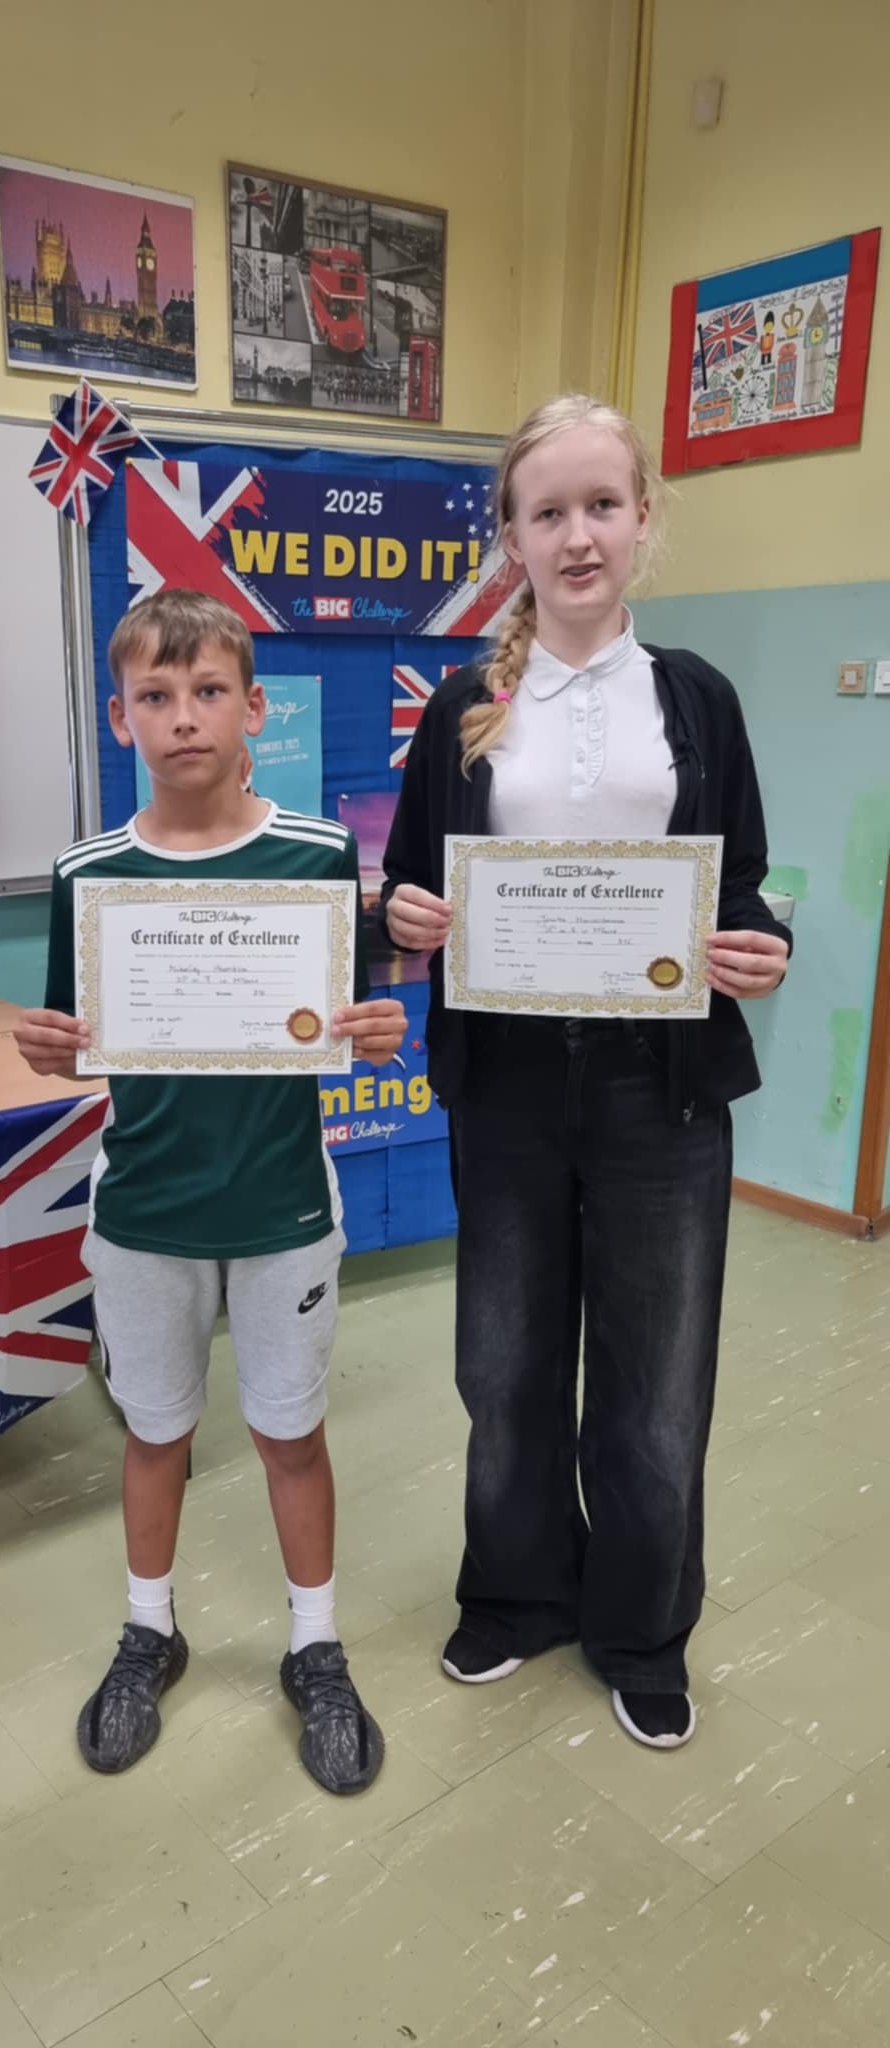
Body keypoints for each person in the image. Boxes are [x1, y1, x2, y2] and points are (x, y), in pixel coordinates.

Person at [381, 394, 791, 1750]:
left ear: (641, 519)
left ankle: (639, 1629)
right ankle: (515, 1595)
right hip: (504, 1081)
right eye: (546, 511)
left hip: (654, 1090)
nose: (575, 536)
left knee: (655, 1381)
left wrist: (760, 945)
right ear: (509, 536)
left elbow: (740, 883)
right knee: (503, 1366)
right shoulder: (465, 705)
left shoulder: (695, 699)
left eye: (600, 506)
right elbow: (407, 884)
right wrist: (403, 915)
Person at [15, 588, 405, 1793]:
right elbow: (82, 1041)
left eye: (207, 691)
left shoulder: (319, 857)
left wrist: (375, 1027)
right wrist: (52, 1049)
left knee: (290, 1434)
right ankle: (150, 1628)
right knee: (155, 1432)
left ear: (252, 707)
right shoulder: (89, 873)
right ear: (121, 715)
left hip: (282, 1203)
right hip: (146, 1209)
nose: (183, 716)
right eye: (155, 695)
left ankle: (315, 1644)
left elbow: (342, 1023)